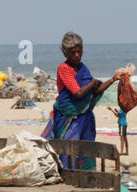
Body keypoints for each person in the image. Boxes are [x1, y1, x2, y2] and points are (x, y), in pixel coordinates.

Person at [41, 32, 118, 167]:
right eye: (72, 52)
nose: (77, 55)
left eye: (79, 51)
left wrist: (114, 78)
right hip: (68, 118)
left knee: (86, 149)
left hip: (85, 116)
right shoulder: (64, 69)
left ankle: (85, 179)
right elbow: (78, 93)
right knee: (68, 150)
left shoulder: (83, 68)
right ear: (65, 53)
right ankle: (68, 178)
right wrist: (92, 83)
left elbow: (96, 91)